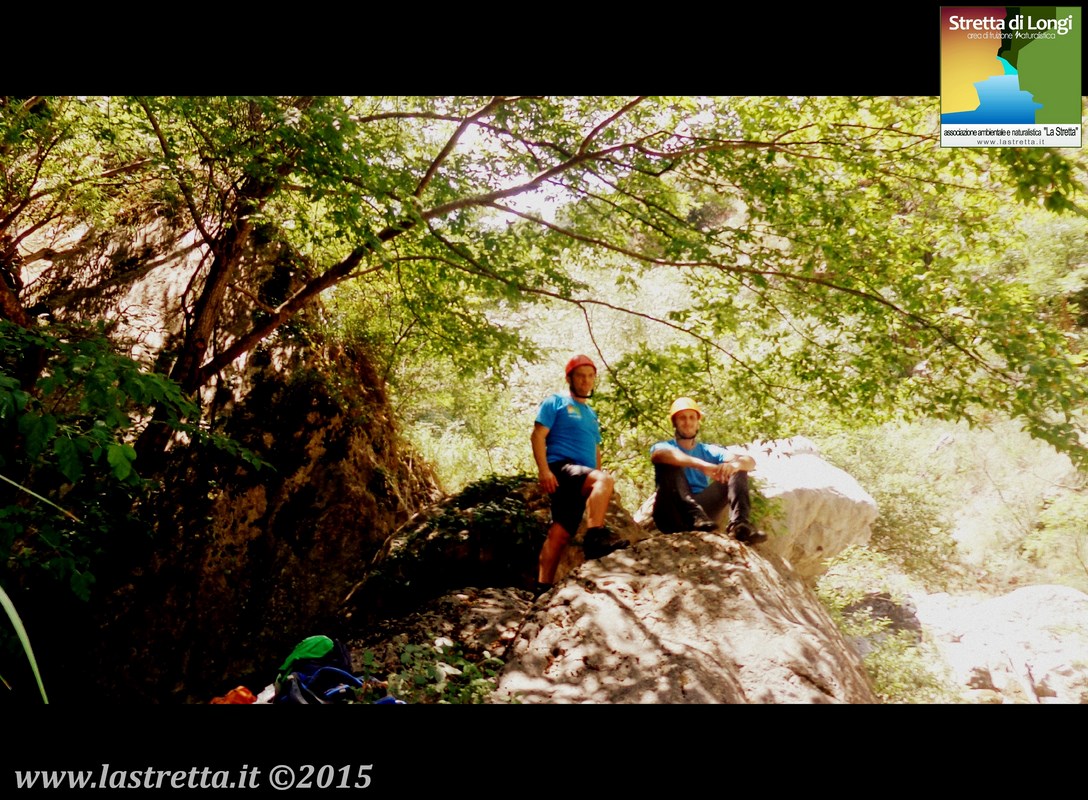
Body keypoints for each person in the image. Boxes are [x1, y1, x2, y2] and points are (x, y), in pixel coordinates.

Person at [532, 354, 625, 594]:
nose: (586, 380)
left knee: (560, 532)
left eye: (590, 376)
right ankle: (595, 539)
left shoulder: (591, 414)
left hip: (582, 475)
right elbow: (538, 435)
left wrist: (598, 479)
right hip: (562, 467)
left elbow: (595, 449)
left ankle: (541, 587)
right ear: (569, 378)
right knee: (603, 480)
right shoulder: (556, 402)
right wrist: (544, 470)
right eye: (581, 376)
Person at [650, 397, 767, 543]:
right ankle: (694, 515)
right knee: (668, 465)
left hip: (703, 512)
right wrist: (703, 466)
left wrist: (734, 466)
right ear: (674, 422)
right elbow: (659, 455)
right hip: (671, 513)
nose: (687, 422)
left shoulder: (708, 450)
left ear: (698, 422)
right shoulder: (664, 447)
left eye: (692, 417)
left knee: (738, 469)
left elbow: (749, 461)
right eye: (682, 418)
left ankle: (740, 526)